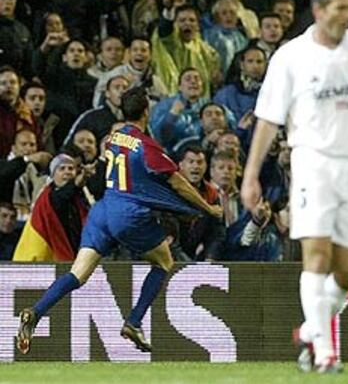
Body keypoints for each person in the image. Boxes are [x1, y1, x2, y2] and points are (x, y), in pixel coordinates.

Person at [241, 0, 348, 373]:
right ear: (319, 10)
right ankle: (326, 351)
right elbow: (268, 120)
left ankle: (312, 328)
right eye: (339, 8)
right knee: (317, 255)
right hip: (312, 162)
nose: (347, 15)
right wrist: (251, 174)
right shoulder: (291, 56)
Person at [17, 86, 222, 355]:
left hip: (102, 211)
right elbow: (177, 181)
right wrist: (207, 206)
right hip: (128, 214)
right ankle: (134, 321)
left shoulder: (115, 137)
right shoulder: (146, 145)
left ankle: (36, 311)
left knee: (78, 273)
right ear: (147, 111)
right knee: (164, 261)